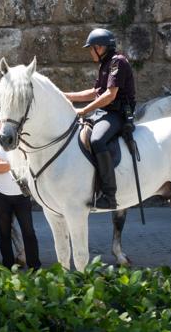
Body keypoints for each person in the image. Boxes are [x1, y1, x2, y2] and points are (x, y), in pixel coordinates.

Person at [63, 28, 135, 209]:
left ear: (101, 47)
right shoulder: (105, 64)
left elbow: (110, 95)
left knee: (97, 140)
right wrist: (66, 96)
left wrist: (83, 110)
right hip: (104, 113)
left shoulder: (117, 62)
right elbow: (96, 93)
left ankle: (110, 195)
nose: (90, 52)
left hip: (118, 114)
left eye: (91, 48)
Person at [0, 112, 41, 270]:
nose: (5, 124)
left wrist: (5, 163)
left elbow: (30, 162)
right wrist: (17, 163)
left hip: (20, 194)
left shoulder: (21, 143)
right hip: (0, 193)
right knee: (4, 233)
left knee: (28, 232)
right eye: (1, 122)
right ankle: (8, 266)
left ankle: (35, 266)